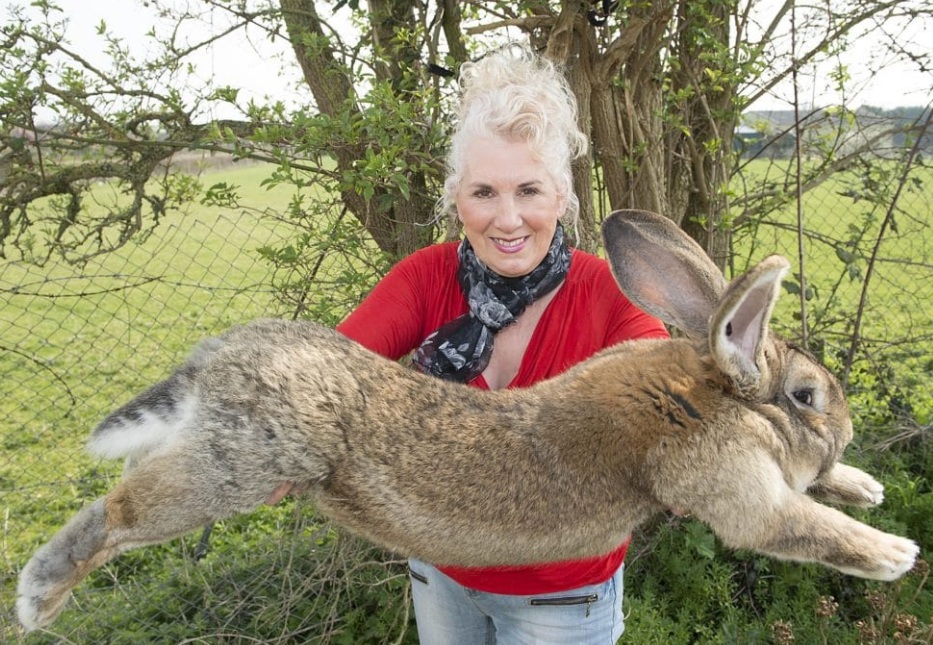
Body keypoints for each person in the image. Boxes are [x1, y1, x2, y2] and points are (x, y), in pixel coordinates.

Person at [335, 45, 669, 644]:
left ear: (561, 198)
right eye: (484, 192)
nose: (507, 219)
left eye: (529, 191)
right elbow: (322, 376)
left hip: (563, 595)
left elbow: (668, 414)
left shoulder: (612, 296)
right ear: (456, 198)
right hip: (441, 570)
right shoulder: (424, 277)